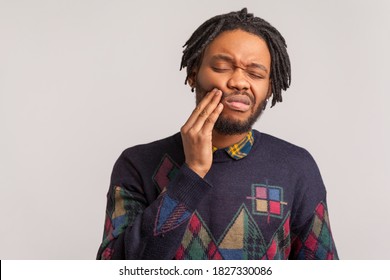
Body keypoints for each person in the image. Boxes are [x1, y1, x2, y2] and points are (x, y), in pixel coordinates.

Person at [97, 8, 338, 260]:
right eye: (222, 67)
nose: (239, 82)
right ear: (193, 74)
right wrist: (192, 174)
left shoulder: (296, 167)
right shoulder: (137, 164)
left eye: (255, 74)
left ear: (269, 89)